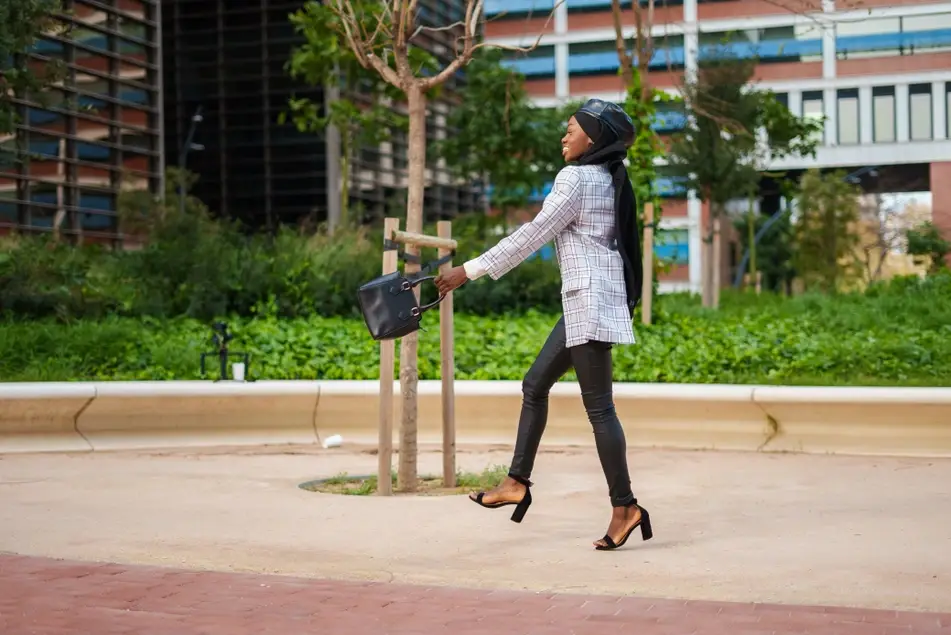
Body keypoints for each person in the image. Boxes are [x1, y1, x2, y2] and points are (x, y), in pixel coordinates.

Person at [434, 98, 651, 551]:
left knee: (600, 410)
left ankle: (625, 507)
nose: (563, 135)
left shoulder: (575, 178)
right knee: (535, 385)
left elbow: (532, 234)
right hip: (587, 302)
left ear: (593, 137)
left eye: (571, 127)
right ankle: (517, 481)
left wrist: (466, 271)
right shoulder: (610, 179)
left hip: (588, 302)